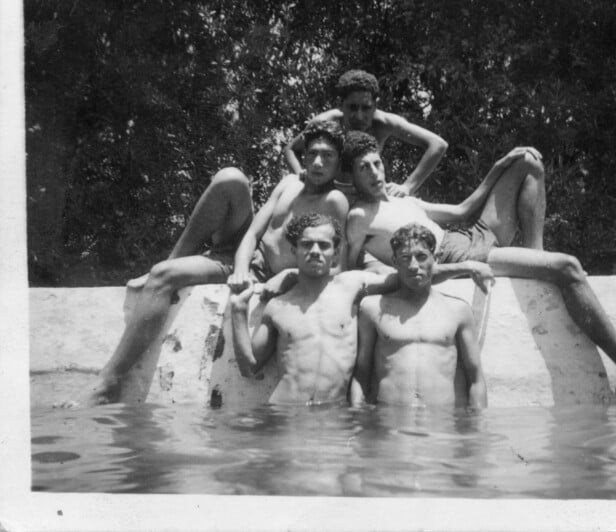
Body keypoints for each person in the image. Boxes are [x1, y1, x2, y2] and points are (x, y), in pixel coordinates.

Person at [344, 131, 616, 396]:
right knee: (568, 267)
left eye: (377, 163)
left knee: (528, 162)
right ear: (353, 177)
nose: (374, 172)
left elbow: (464, 210)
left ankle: (536, 254)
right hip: (457, 256)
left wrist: (501, 164)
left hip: (467, 234)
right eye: (363, 168)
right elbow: (350, 270)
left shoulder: (403, 197)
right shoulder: (360, 215)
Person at [91, 121, 349, 404]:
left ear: (338, 164)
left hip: (267, 274)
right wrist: (240, 269)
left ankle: (108, 382)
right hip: (240, 257)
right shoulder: (289, 183)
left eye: (328, 156)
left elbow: (336, 266)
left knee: (163, 276)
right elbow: (252, 234)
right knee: (230, 178)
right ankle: (109, 379)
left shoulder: (335, 200)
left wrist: (288, 275)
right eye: (311, 154)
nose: (317, 162)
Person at [230, 213, 493, 406]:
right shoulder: (278, 306)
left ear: (336, 252)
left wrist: (466, 266)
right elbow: (250, 368)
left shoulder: (353, 286)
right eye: (306, 245)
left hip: (335, 415)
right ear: (293, 250)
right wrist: (239, 312)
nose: (314, 251)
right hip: (283, 411)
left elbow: (411, 275)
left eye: (323, 245)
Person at [354, 223, 488, 409]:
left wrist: (477, 426)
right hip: (388, 421)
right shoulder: (373, 308)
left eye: (421, 257)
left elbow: (476, 379)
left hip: (440, 423)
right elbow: (361, 375)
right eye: (405, 257)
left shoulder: (458, 310)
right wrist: (357, 419)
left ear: (436, 258)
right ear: (394, 261)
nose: (413, 265)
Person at [283, 69, 451, 199]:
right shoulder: (326, 122)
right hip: (331, 194)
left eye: (366, 107)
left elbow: (438, 144)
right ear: (341, 105)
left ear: (376, 105)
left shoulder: (385, 123)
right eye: (352, 107)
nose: (359, 116)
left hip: (369, 195)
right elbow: (291, 149)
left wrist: (408, 187)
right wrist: (300, 174)